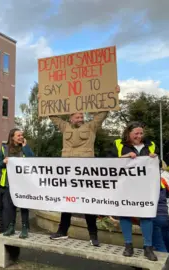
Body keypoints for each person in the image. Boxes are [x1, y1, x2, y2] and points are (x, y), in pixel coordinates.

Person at [45, 85, 119, 246]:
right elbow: (52, 115)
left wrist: (113, 94)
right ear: (71, 118)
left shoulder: (91, 127)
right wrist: (44, 101)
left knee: (88, 203)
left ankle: (93, 236)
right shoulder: (64, 127)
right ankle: (62, 231)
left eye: (81, 116)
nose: (80, 119)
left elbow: (103, 114)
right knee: (67, 201)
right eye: (77, 117)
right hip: (68, 172)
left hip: (86, 172)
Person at [107, 121, 160, 260]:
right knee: (125, 214)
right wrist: (124, 157)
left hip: (145, 187)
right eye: (136, 133)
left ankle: (148, 247)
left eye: (141, 133)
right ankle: (128, 245)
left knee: (146, 214)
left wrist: (155, 159)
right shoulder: (118, 144)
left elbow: (158, 165)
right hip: (125, 187)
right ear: (128, 133)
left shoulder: (151, 144)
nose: (139, 136)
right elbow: (108, 163)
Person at [0, 129, 35, 238]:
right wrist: (3, 162)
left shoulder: (24, 149)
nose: (21, 137)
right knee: (10, 206)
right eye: (18, 135)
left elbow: (32, 160)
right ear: (12, 137)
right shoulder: (4, 149)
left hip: (23, 183)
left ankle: (24, 228)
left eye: (22, 135)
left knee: (23, 205)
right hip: (9, 183)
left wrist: (25, 147)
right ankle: (11, 227)